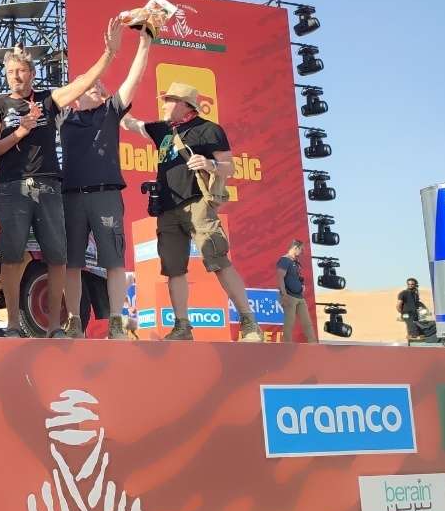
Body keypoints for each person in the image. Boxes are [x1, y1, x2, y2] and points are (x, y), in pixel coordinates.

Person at [0, 19, 123, 338]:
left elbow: (84, 82)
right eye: (10, 72)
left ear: (31, 74)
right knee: (12, 256)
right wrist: (20, 132)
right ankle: (14, 324)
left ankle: (55, 326)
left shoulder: (48, 100)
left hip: (48, 185)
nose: (15, 76)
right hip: (12, 186)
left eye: (21, 71)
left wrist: (109, 54)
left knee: (58, 256)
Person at [122, 83, 262, 342]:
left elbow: (229, 167)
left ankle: (249, 323)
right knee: (173, 269)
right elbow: (129, 123)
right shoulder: (162, 130)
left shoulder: (209, 129)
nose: (163, 104)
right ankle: (182, 326)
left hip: (198, 203)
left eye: (168, 100)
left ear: (185, 104)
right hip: (167, 208)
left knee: (218, 259)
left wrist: (210, 163)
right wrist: (109, 99)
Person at [59, 25, 154, 340]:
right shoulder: (64, 118)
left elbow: (133, 80)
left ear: (101, 92)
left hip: (105, 195)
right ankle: (74, 320)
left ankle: (116, 320)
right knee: (72, 263)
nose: (87, 87)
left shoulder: (110, 111)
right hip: (71, 196)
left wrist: (144, 43)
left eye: (93, 84)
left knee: (113, 260)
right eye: (82, 84)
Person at [276, 240, 317, 343]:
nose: (302, 252)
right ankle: (287, 346)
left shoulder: (296, 262)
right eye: (301, 249)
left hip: (300, 297)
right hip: (289, 296)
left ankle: (313, 344)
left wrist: (302, 285)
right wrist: (284, 294)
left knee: (307, 323)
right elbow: (280, 277)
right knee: (289, 323)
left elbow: (297, 276)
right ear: (295, 248)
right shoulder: (285, 260)